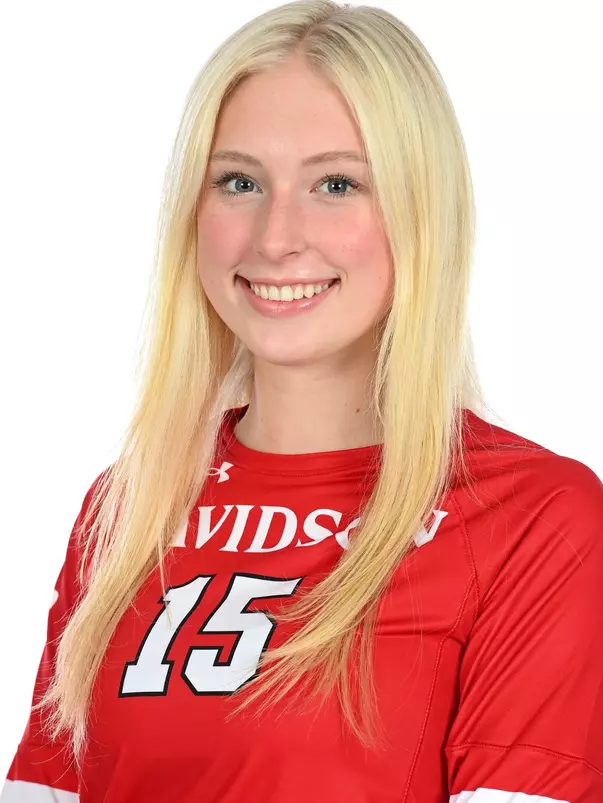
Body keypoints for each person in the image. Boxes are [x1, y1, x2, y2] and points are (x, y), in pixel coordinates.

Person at [2, 1, 602, 801]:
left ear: (421, 212)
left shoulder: (532, 518)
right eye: (239, 181)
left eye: (336, 183)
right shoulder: (128, 506)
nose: (275, 237)